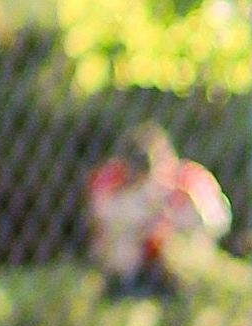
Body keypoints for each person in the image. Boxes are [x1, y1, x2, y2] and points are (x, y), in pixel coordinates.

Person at [85, 125, 231, 296]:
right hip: (128, 258)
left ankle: (180, 288)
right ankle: (123, 286)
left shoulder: (188, 178)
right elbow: (99, 217)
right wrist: (141, 207)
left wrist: (180, 207)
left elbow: (217, 222)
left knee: (183, 241)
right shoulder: (115, 177)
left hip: (178, 253)